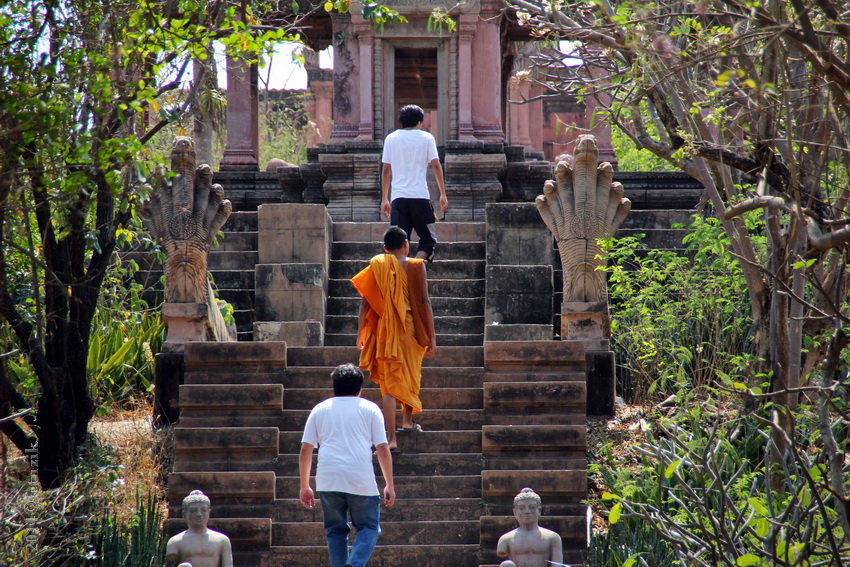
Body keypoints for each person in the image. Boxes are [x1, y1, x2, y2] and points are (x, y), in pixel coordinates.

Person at [299, 363, 396, 567]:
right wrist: (389, 484)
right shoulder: (370, 409)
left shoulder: (320, 409)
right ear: (360, 388)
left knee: (335, 530)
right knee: (369, 527)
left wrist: (305, 485)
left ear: (334, 385)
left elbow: (306, 450)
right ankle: (355, 563)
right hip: (360, 479)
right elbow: (383, 449)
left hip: (328, 479)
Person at [351, 227, 437, 451]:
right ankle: (407, 421)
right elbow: (425, 303)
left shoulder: (377, 264)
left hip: (386, 331)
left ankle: (391, 438)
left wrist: (361, 333)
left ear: (385, 248)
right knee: (410, 375)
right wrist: (433, 337)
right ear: (406, 244)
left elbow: (365, 303)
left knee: (389, 386)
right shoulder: (417, 266)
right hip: (412, 331)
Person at [381, 104, 449, 262]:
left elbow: (386, 171)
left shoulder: (391, 138)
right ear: (420, 121)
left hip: (398, 199)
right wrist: (442, 194)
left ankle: (402, 272)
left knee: (398, 244)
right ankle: (415, 265)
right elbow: (436, 165)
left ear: (401, 121)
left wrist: (385, 199)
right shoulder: (426, 137)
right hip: (420, 197)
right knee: (428, 240)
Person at [496, 488, 563, 567]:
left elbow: (557, 565)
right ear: (515, 512)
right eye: (521, 508)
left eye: (532, 507)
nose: (527, 511)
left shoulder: (552, 537)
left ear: (539, 510)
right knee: (507, 565)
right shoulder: (506, 539)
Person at [165, 490, 233, 567]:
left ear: (209, 512)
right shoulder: (175, 542)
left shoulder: (222, 540)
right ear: (184, 514)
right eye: (193, 511)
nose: (199, 514)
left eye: (203, 510)